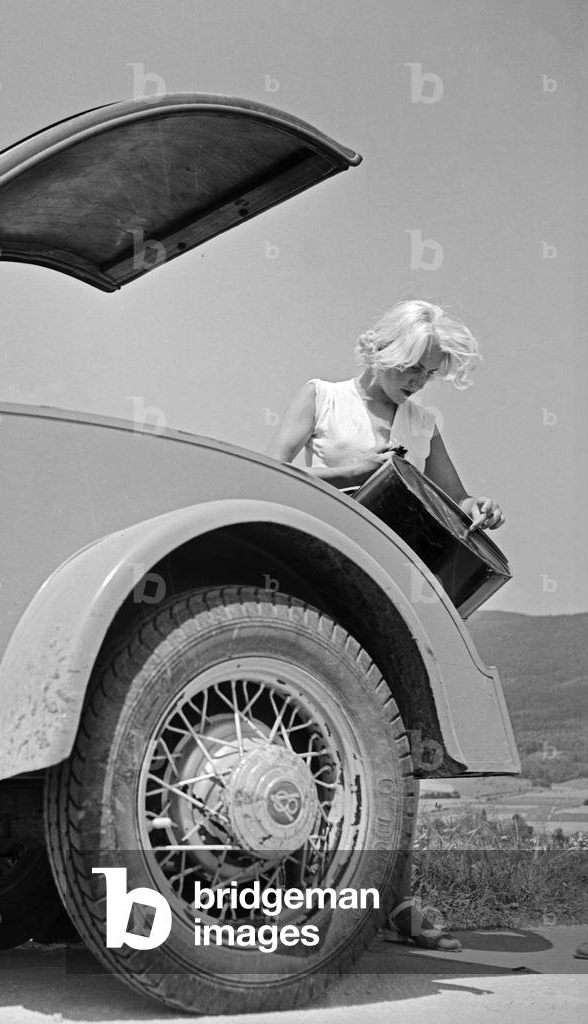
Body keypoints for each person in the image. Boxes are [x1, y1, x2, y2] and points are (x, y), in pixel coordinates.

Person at [266, 299, 506, 951]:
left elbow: (456, 499)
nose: (419, 384)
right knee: (305, 745)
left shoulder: (424, 421)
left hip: (395, 600)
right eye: (414, 370)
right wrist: (360, 473)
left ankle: (396, 904)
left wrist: (478, 507)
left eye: (428, 375)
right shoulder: (320, 398)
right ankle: (295, 901)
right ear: (383, 353)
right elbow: (273, 475)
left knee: (398, 753)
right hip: (316, 587)